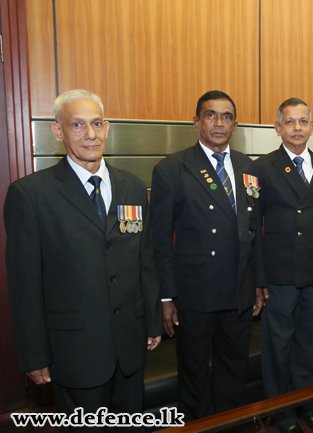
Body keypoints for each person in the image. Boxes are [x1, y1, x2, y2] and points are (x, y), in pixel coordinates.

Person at [4, 89, 162, 429]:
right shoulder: (31, 195)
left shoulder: (132, 187)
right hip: (74, 351)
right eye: (77, 125)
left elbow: (144, 261)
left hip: (129, 347)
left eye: (96, 124)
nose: (90, 134)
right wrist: (34, 355)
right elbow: (24, 284)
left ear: (107, 128)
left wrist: (151, 322)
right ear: (58, 132)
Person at [150, 90, 265, 421]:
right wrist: (165, 296)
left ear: (235, 124)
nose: (219, 122)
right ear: (196, 122)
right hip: (195, 293)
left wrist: (257, 283)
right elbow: (159, 240)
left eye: (226, 116)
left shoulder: (247, 166)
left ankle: (231, 426)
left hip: (239, 291)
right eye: (211, 115)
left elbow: (253, 230)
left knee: (234, 371)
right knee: (195, 375)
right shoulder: (172, 169)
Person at [255, 98, 313, 433]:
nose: (297, 128)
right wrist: (259, 278)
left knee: (309, 343)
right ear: (278, 128)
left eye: (303, 121)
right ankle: (280, 412)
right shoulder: (262, 168)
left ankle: (307, 405)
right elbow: (255, 230)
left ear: (312, 126)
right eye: (289, 122)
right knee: (278, 346)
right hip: (279, 275)